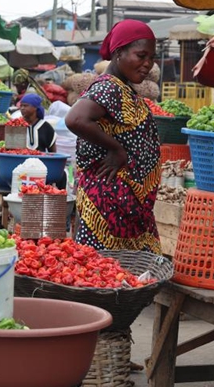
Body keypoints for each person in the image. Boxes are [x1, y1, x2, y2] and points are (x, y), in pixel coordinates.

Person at [65, 19, 161, 254]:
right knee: (104, 276)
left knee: (123, 277)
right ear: (119, 53)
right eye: (141, 56)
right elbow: (75, 119)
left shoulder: (122, 87)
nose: (148, 64)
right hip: (108, 205)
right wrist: (117, 150)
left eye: (151, 57)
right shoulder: (108, 87)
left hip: (123, 205)